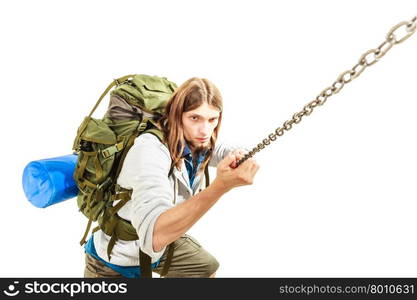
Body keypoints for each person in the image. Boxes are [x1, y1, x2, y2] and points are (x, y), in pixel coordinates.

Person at [83, 77, 260, 278]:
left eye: (212, 119)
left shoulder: (194, 139)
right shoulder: (150, 149)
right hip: (116, 258)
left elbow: (217, 150)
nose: (205, 130)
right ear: (177, 115)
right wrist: (220, 186)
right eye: (195, 118)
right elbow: (153, 237)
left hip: (161, 250)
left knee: (205, 269)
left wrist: (242, 154)